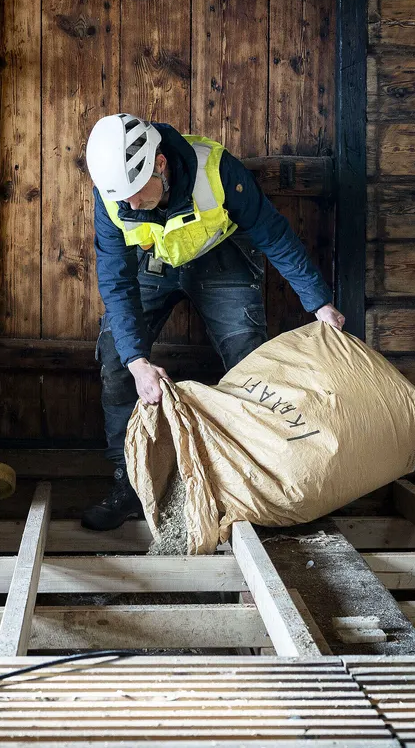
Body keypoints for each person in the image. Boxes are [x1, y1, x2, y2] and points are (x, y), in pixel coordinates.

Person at [81, 113, 344, 531]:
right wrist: (135, 360)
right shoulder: (113, 195)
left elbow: (273, 234)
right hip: (156, 261)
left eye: (135, 193)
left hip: (222, 259)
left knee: (250, 366)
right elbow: (115, 279)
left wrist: (319, 302)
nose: (128, 204)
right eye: (121, 198)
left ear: (160, 164)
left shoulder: (216, 169)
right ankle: (129, 484)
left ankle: (260, 485)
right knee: (116, 356)